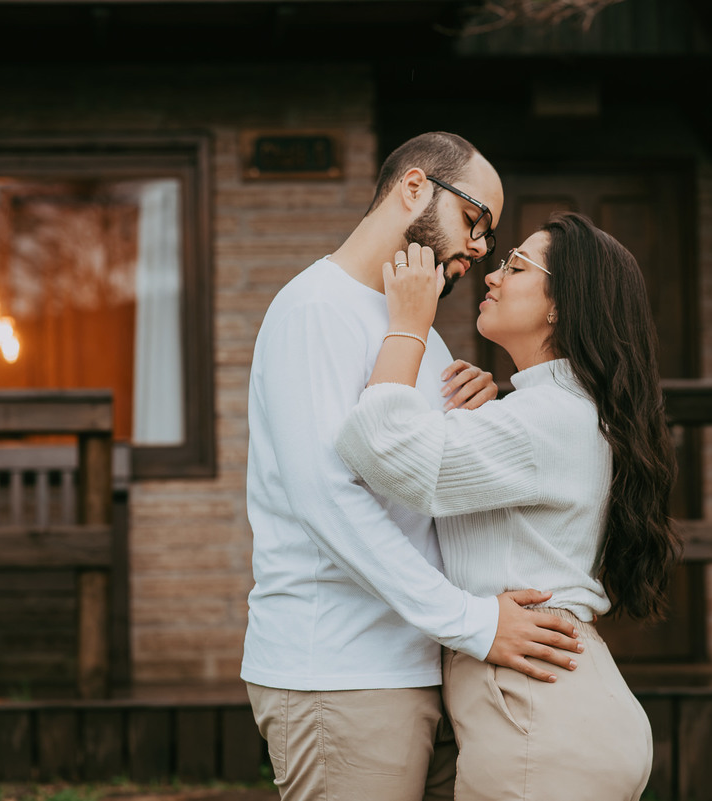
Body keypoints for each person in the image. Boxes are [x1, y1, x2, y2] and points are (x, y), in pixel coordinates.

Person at [242, 133, 584, 801]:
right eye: (476, 220)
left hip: (418, 658)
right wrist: (476, 621)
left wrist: (474, 414)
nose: (482, 247)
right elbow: (327, 500)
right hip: (341, 669)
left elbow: (420, 482)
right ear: (414, 187)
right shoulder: (314, 309)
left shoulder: (417, 326)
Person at [335, 211, 680, 801]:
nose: (492, 276)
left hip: (536, 719)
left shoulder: (546, 419)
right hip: (555, 711)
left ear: (561, 305)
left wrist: (409, 325)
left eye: (516, 265)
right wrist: (478, 414)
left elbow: (381, 449)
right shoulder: (559, 411)